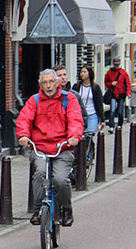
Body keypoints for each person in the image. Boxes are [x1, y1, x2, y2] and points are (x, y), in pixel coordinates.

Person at [16, 69, 84, 227]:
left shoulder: (69, 99)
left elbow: (75, 119)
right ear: (40, 84)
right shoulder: (35, 100)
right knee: (39, 173)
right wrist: (23, 135)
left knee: (60, 179)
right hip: (40, 147)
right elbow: (24, 118)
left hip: (62, 147)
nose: (48, 85)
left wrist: (74, 137)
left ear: (57, 82)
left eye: (51, 81)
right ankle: (38, 208)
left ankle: (67, 208)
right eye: (44, 82)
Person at [72, 65, 105, 133]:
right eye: (81, 72)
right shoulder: (77, 86)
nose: (82, 74)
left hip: (92, 114)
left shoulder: (95, 87)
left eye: (84, 72)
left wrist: (102, 119)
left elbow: (99, 103)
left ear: (90, 73)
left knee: (90, 136)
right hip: (79, 115)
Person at [104, 57, 131, 133]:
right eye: (115, 64)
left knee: (120, 111)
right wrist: (111, 84)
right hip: (113, 94)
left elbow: (128, 84)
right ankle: (111, 126)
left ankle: (120, 125)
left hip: (121, 94)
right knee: (112, 110)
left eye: (117, 64)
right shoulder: (109, 72)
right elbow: (106, 82)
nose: (116, 66)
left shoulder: (123, 73)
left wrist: (128, 93)